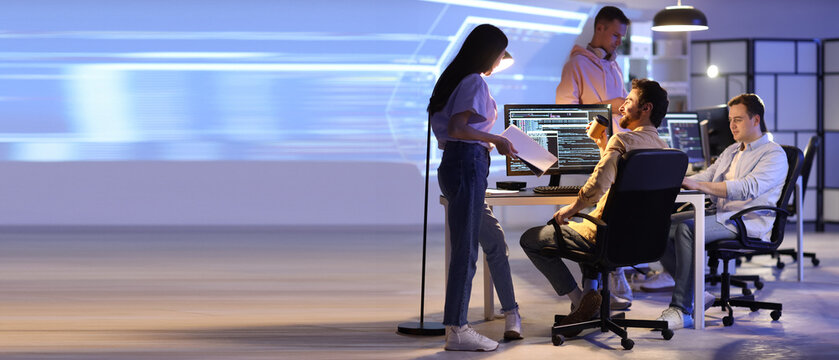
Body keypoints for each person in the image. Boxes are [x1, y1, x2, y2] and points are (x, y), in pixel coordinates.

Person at [520, 79, 669, 336]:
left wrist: (570, 209)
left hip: (605, 236)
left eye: (629, 101)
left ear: (646, 108)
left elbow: (597, 186)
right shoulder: (664, 149)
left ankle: (580, 301)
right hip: (639, 241)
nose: (621, 107)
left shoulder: (623, 141)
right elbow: (618, 180)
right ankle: (590, 299)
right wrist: (604, 146)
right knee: (586, 233)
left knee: (532, 239)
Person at [656, 93, 788, 329]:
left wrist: (699, 186)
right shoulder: (732, 150)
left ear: (756, 120)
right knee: (659, 226)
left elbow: (747, 188)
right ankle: (697, 294)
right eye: (730, 120)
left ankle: (682, 309)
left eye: (738, 119)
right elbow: (707, 176)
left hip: (745, 221)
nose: (732, 125)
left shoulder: (773, 154)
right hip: (720, 214)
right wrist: (678, 180)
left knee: (687, 229)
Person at [428, 24, 521, 352]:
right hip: (467, 163)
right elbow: (458, 128)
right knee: (466, 251)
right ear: (489, 52)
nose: (500, 60)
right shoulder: (474, 81)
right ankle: (457, 329)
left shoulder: (455, 79)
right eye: (500, 54)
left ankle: (510, 312)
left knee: (491, 240)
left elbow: (451, 129)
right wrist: (496, 139)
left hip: (458, 164)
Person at [554, 6, 634, 308]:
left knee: (615, 217)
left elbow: (620, 111)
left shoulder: (614, 66)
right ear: (599, 28)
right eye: (615, 35)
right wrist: (608, 106)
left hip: (618, 151)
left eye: (622, 36)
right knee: (594, 220)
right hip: (592, 153)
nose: (619, 41)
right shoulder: (575, 65)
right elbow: (564, 112)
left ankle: (608, 280)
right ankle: (595, 290)